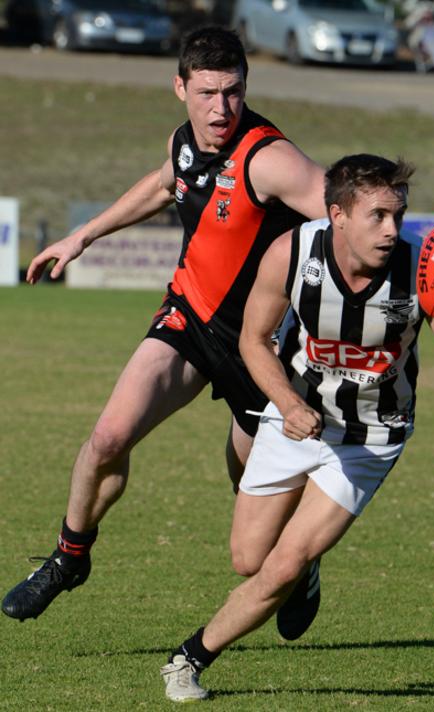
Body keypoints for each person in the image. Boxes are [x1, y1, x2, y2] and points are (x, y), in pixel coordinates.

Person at [1, 26, 326, 637]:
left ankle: (299, 568)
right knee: (106, 439)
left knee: (250, 502)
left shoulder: (269, 158)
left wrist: (410, 274)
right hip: (188, 319)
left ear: (246, 87)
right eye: (206, 92)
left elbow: (339, 210)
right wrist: (82, 237)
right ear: (179, 87)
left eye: (232, 92)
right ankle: (69, 557)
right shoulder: (183, 143)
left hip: (261, 350)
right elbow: (161, 185)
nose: (220, 108)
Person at [159, 153, 434, 702]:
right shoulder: (291, 253)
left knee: (282, 563)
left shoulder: (422, 271)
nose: (394, 229)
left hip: (371, 438)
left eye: (399, 214)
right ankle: (303, 572)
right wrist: (287, 404)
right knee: (249, 559)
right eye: (378, 216)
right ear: (337, 214)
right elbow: (253, 340)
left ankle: (188, 659)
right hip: (294, 420)